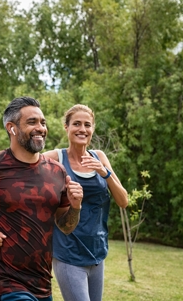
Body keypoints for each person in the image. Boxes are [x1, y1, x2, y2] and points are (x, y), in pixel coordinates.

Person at [0, 96, 84, 301]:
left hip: (42, 283)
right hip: (5, 282)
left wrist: (76, 206)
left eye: (43, 122)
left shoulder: (57, 172)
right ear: (12, 128)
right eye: (32, 122)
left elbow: (65, 226)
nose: (40, 128)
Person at [42, 104, 128, 301]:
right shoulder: (55, 158)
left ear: (93, 129)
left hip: (97, 253)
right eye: (76, 124)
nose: (82, 129)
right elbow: (24, 166)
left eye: (87, 125)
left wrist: (104, 172)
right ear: (66, 127)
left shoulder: (100, 157)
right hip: (68, 254)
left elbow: (123, 201)